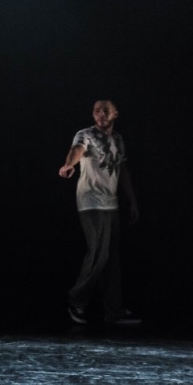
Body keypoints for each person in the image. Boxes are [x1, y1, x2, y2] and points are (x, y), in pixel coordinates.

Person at [58, 99, 140, 327]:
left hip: (111, 204)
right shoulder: (85, 134)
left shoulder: (118, 139)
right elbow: (77, 150)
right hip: (91, 202)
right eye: (96, 111)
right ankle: (76, 300)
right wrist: (69, 165)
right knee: (98, 254)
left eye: (105, 111)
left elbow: (122, 171)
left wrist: (132, 201)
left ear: (115, 114)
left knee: (111, 259)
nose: (100, 114)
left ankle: (114, 311)